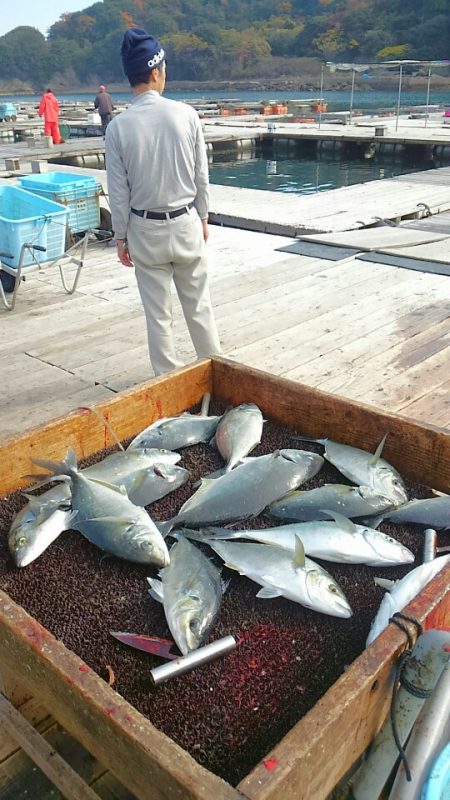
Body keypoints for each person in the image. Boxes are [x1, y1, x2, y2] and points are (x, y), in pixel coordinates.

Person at [105, 27, 222, 376]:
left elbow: (118, 191)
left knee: (159, 317)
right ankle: (217, 373)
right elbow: (201, 175)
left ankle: (169, 387)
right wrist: (202, 216)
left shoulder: (118, 127)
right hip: (186, 221)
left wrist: (120, 237)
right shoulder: (186, 115)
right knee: (199, 307)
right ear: (156, 71)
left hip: (144, 228)